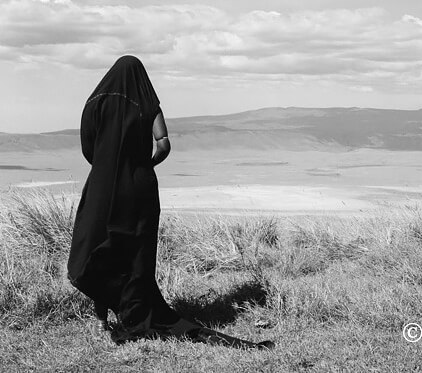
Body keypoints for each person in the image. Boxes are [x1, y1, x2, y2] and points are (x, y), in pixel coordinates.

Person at [67, 55, 273, 348]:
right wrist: (142, 165)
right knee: (136, 250)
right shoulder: (146, 103)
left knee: (100, 245)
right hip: (139, 185)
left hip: (103, 183)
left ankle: (102, 319)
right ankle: (136, 312)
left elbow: (88, 147)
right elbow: (163, 143)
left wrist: (106, 166)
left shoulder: (94, 102)